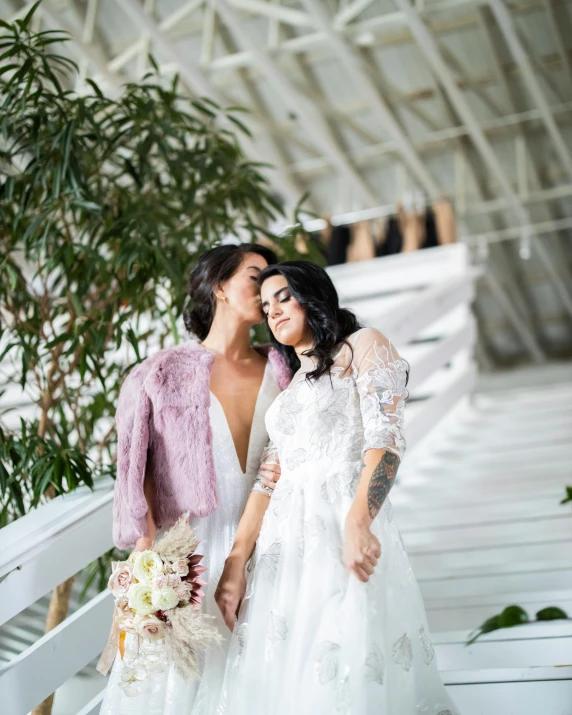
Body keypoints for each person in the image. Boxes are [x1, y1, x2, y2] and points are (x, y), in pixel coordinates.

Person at [215, 261, 459, 715]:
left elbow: (385, 441)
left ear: (313, 294)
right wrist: (235, 561)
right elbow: (268, 481)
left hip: (341, 526)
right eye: (266, 307)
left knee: (344, 660)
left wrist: (359, 520)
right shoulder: (287, 396)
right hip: (283, 556)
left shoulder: (364, 345)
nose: (274, 312)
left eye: (283, 297)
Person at [100, 244, 291, 714]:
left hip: (274, 546)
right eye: (255, 275)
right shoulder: (158, 373)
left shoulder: (287, 368)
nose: (268, 288)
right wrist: (145, 568)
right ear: (219, 286)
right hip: (189, 557)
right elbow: (133, 470)